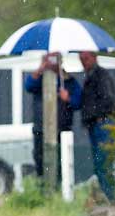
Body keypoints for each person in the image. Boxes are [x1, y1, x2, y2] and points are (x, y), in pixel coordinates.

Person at [24, 52, 82, 183]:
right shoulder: (40, 78)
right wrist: (41, 68)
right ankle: (43, 187)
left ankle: (61, 187)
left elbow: (78, 102)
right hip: (41, 128)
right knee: (40, 159)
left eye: (54, 59)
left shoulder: (68, 81)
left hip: (62, 127)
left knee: (62, 160)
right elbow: (28, 86)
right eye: (49, 59)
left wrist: (67, 99)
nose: (52, 63)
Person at [79, 51, 115, 201]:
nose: (83, 62)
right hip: (95, 124)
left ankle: (112, 197)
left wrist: (92, 113)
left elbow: (108, 99)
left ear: (94, 58)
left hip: (102, 123)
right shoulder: (90, 76)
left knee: (104, 161)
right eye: (81, 59)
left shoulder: (101, 76)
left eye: (86, 58)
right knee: (99, 162)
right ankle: (108, 196)